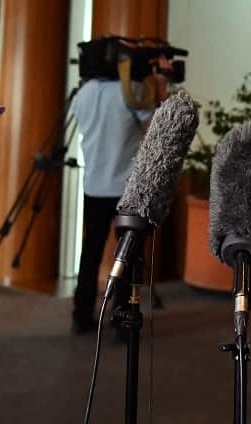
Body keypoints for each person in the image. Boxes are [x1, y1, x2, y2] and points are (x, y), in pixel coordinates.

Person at [70, 63, 167, 334]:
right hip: (127, 186)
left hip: (94, 184)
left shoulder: (84, 92)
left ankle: (81, 314)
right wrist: (159, 91)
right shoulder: (132, 90)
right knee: (128, 255)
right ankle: (122, 320)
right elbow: (154, 128)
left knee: (90, 252)